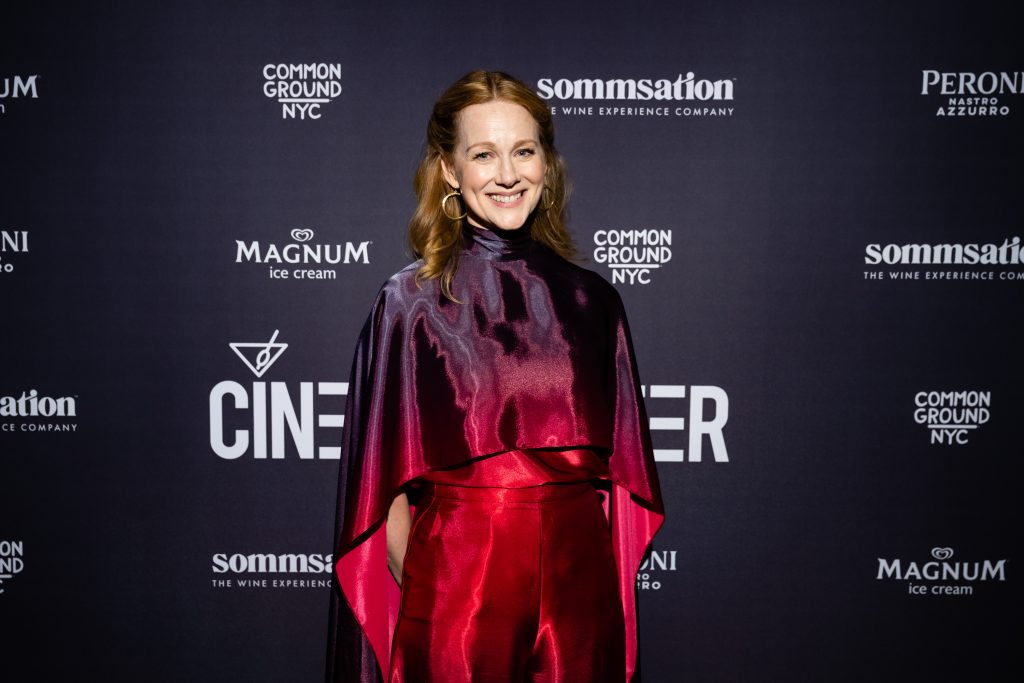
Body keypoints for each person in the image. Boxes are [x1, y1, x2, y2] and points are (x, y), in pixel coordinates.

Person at [326, 70, 664, 683]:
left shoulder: (594, 303)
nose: (508, 174)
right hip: (458, 591)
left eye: (524, 151)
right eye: (483, 154)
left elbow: (621, 489)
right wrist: (438, 585)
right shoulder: (410, 303)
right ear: (450, 170)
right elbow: (382, 494)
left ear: (546, 163)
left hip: (580, 593)